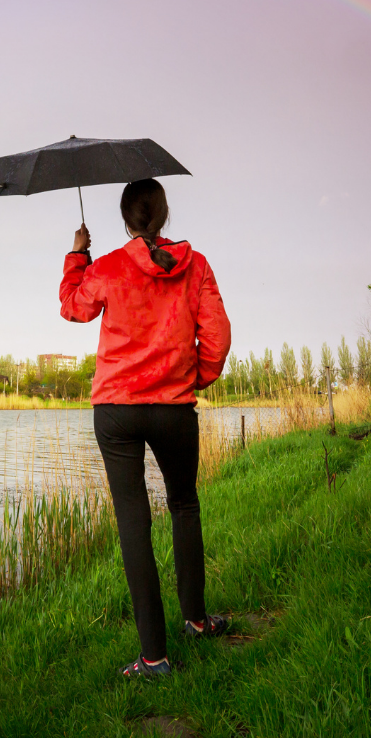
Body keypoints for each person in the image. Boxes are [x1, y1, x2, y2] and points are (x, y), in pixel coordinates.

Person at [59, 177, 232, 678]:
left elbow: (73, 307)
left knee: (133, 522)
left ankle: (154, 657)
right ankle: (196, 622)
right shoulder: (195, 265)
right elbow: (216, 337)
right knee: (184, 504)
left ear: (124, 218)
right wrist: (191, 378)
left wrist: (77, 256)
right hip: (174, 407)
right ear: (163, 213)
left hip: (116, 409)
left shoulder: (108, 266)